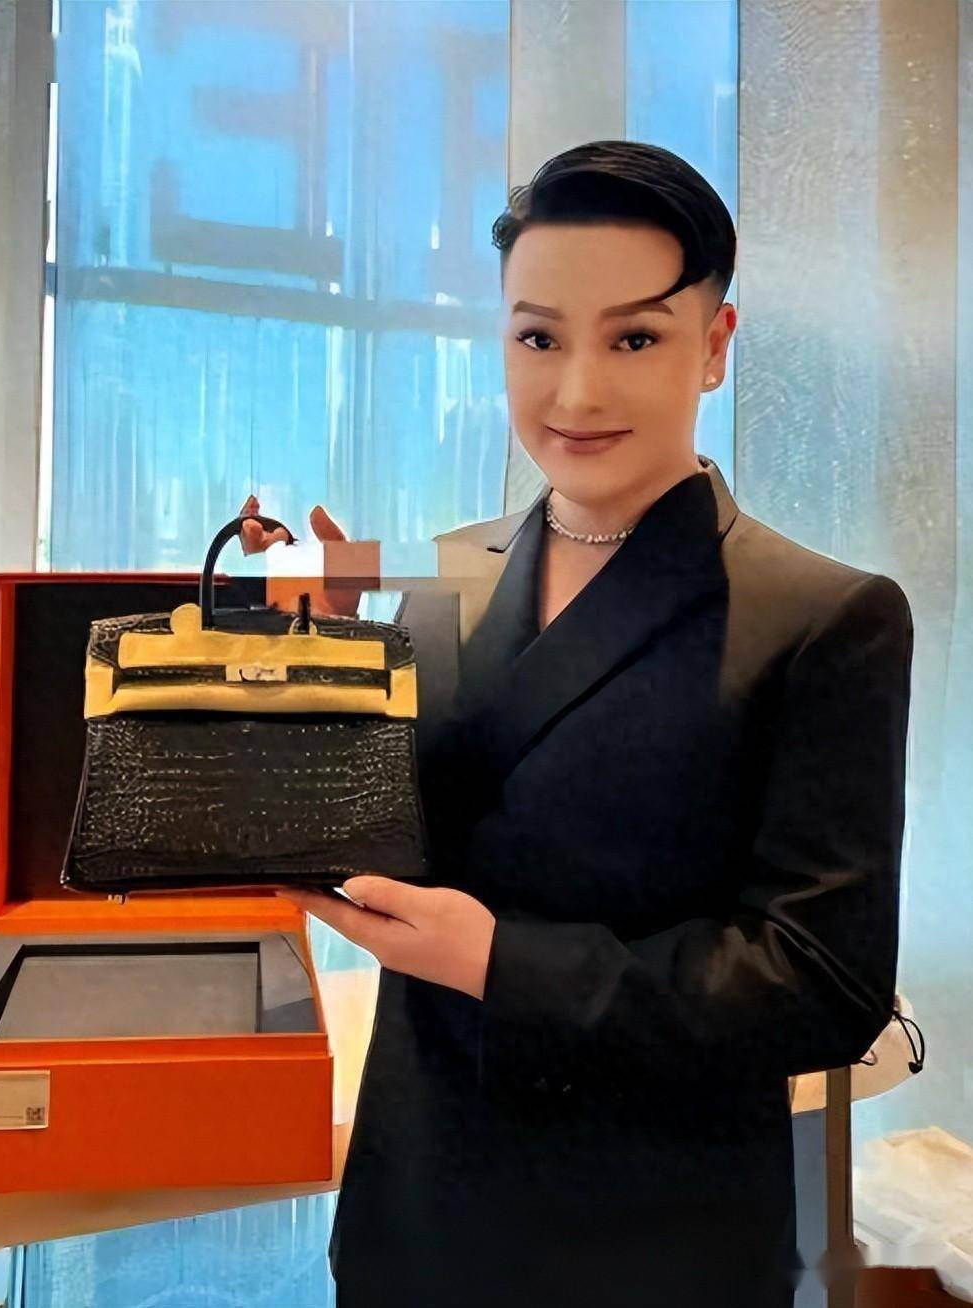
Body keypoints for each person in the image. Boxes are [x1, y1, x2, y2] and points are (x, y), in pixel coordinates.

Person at [249, 141, 914, 1307]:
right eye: (538, 338)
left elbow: (819, 983)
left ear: (715, 345)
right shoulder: (445, 574)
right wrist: (320, 667)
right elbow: (398, 842)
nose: (575, 394)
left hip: (654, 1242)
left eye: (635, 339)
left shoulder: (822, 616)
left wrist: (498, 962)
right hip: (415, 1209)